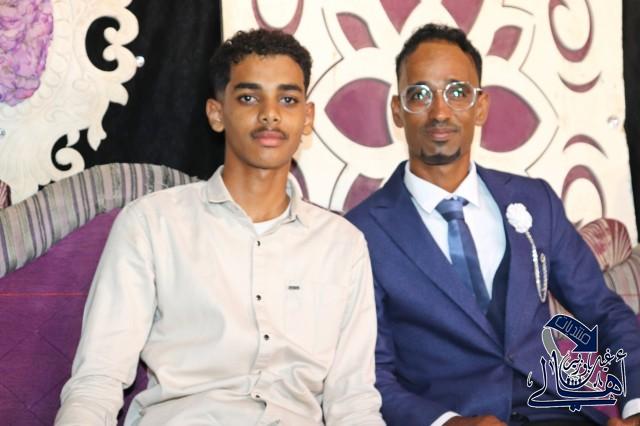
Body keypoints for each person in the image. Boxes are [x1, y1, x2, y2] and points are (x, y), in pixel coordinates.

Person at [55, 29, 384, 426]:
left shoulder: (342, 244)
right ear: (216, 113)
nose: (270, 114)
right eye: (249, 98)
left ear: (307, 117)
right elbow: (98, 380)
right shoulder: (153, 224)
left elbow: (353, 403)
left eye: (287, 99)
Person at [346, 23, 640, 426]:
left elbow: (605, 313)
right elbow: (371, 375)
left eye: (457, 92)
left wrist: (636, 403)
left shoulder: (535, 200)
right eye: (420, 94)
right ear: (398, 111)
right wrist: (448, 423)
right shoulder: (361, 233)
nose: (440, 112)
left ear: (480, 106)